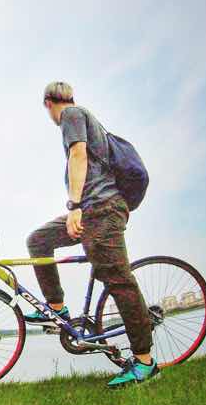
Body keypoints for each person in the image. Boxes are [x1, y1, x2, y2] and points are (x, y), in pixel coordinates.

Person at [25, 81, 159, 388]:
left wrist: (73, 206)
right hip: (91, 211)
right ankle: (56, 308)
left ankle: (144, 362)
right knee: (38, 240)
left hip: (103, 208)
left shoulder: (71, 115)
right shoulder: (80, 116)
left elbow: (78, 155)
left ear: (48, 103)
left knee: (117, 279)